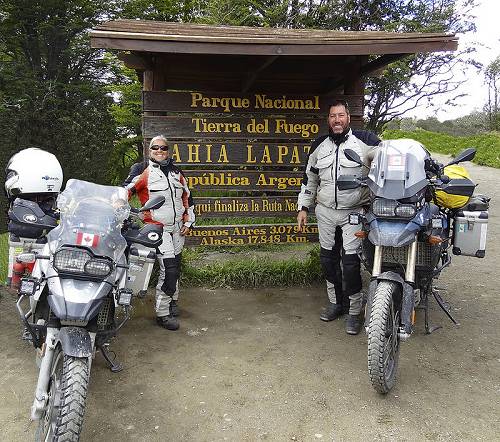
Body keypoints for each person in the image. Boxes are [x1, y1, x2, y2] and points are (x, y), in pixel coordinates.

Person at [297, 100, 380, 335]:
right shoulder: (319, 145)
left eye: (340, 115)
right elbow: (309, 180)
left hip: (354, 212)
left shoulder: (367, 142)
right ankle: (336, 303)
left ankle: (355, 311)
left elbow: (385, 164)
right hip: (325, 213)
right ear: (328, 120)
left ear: (348, 118)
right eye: (332, 116)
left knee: (351, 264)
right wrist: (303, 208)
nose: (336, 120)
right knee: (328, 260)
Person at [127, 135, 195, 331]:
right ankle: (163, 313)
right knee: (169, 268)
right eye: (155, 147)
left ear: (168, 151)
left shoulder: (176, 171)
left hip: (177, 229)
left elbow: (188, 198)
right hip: (157, 229)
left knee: (175, 268)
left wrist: (189, 222)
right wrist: (118, 204)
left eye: (163, 148)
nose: (159, 151)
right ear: (149, 150)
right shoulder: (141, 170)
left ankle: (172, 302)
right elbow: (126, 191)